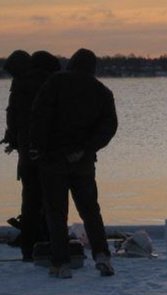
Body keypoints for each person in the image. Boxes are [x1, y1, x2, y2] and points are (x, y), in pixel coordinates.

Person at [30, 48, 118, 278]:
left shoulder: (55, 83)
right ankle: (102, 256)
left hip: (52, 160)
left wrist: (36, 147)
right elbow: (108, 128)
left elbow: (39, 116)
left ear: (72, 64)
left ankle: (62, 264)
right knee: (91, 211)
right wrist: (86, 149)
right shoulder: (102, 92)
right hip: (83, 163)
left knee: (56, 213)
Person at [2, 50, 60, 261]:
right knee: (51, 199)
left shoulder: (20, 86)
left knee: (30, 199)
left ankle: (28, 246)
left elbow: (13, 116)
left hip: (27, 153)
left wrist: (14, 139)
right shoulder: (52, 83)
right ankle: (50, 242)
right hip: (49, 152)